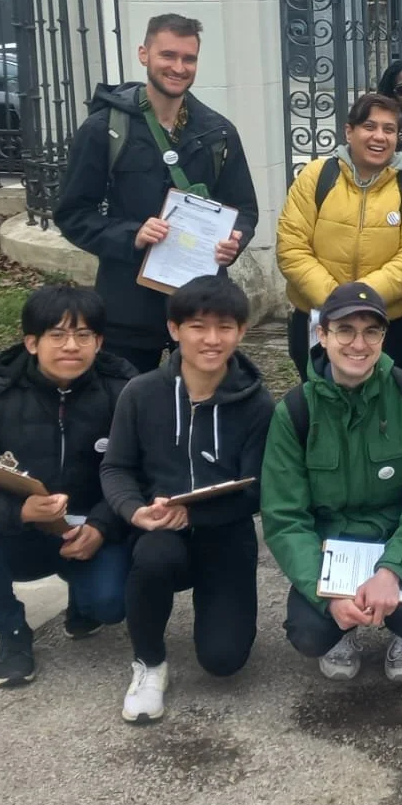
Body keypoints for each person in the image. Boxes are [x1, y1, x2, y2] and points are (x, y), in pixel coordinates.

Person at [0, 284, 138, 687]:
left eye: (84, 335)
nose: (71, 346)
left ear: (99, 342)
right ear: (31, 342)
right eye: (57, 335)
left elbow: (144, 474)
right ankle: (11, 631)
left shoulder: (125, 393)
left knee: (110, 603)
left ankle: (83, 601)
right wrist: (19, 512)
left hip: (92, 531)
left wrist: (102, 527)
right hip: (22, 532)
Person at [100, 274, 273, 724]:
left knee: (224, 661)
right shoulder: (141, 393)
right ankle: (149, 662)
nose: (211, 339)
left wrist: (197, 510)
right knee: (154, 557)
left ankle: (214, 617)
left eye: (224, 327)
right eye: (198, 326)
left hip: (227, 534)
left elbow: (259, 486)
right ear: (175, 330)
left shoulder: (257, 404)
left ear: (242, 330)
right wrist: (134, 510)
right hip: (161, 533)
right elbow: (115, 467)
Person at [261, 281, 402, 684]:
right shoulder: (294, 411)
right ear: (322, 334)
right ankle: (339, 630)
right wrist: (324, 592)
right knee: (309, 633)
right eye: (345, 330)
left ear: (384, 336)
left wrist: (392, 572)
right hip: (330, 551)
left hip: (392, 539)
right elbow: (285, 516)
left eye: (371, 331)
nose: (359, 344)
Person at [55, 14, 256, 373]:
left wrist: (234, 240)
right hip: (128, 309)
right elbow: (72, 214)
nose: (179, 67)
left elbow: (243, 209)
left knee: (200, 413)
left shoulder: (218, 133)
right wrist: (132, 235)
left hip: (200, 310)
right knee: (128, 411)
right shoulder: (105, 129)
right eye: (168, 55)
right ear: (143, 54)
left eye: (189, 58)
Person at [276, 91, 402, 379]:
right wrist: (338, 302)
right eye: (369, 126)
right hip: (319, 319)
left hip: (388, 323)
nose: (379, 136)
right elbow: (291, 247)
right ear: (349, 132)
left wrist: (362, 300)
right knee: (321, 403)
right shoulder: (316, 176)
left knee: (384, 408)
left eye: (389, 129)